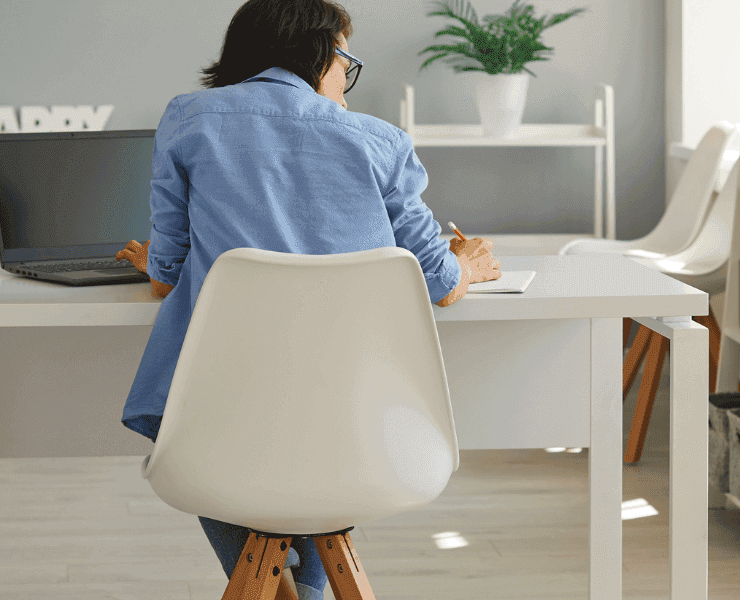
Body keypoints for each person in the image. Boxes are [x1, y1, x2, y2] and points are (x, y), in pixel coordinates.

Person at [112, 0, 501, 598]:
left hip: (222, 413)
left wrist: (161, 261)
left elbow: (165, 279)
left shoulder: (189, 118)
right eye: (346, 61)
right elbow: (440, 284)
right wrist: (468, 263)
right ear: (318, 53)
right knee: (329, 443)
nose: (345, 78)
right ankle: (308, 590)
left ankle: (285, 589)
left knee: (195, 437)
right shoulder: (382, 142)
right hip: (359, 417)